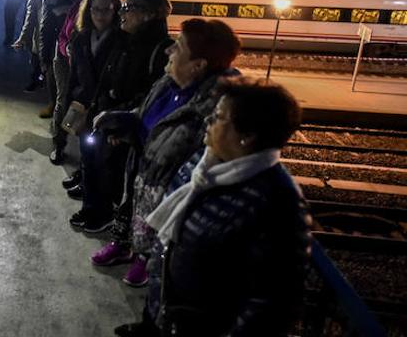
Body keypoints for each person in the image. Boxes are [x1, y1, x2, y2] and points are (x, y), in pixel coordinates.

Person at [116, 78, 311, 337]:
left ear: (248, 136)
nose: (208, 121)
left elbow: (271, 304)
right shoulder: (205, 163)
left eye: (218, 117)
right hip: (169, 315)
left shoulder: (276, 202)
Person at [90, 19, 242, 289]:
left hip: (167, 191)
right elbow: (145, 116)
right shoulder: (167, 83)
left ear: (199, 65)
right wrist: (124, 124)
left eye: (179, 47)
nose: (168, 51)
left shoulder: (217, 110)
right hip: (141, 171)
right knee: (133, 208)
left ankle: (147, 260)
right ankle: (128, 247)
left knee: (157, 233)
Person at [72, 0, 173, 233]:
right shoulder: (127, 39)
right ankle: (95, 210)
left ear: (148, 14)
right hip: (107, 118)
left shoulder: (160, 50)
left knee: (113, 176)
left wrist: (121, 121)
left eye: (128, 7)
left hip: (126, 129)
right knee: (95, 166)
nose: (122, 13)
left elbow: (151, 96)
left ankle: (108, 219)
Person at [50, 0, 121, 161]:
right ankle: (59, 144)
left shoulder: (112, 11)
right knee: (64, 105)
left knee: (90, 124)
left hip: (93, 79)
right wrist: (67, 49)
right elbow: (64, 35)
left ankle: (83, 169)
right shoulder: (77, 6)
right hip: (68, 64)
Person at [56, 0, 124, 196]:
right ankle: (86, 184)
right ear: (88, 10)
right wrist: (69, 103)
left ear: (116, 11)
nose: (100, 15)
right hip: (84, 104)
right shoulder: (82, 38)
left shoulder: (121, 42)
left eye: (107, 9)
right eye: (96, 9)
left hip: (105, 109)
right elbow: (73, 77)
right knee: (86, 151)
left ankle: (94, 200)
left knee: (102, 158)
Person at [13, 0, 68, 93]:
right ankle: (37, 79)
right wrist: (24, 35)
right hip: (42, 29)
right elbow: (31, 9)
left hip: (62, 33)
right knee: (38, 59)